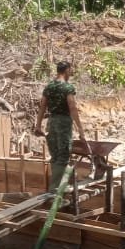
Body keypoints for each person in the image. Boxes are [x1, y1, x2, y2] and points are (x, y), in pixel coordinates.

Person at [34, 61, 90, 191]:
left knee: (55, 155)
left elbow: (42, 107)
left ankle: (57, 185)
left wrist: (38, 125)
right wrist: (80, 130)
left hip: (51, 122)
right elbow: (72, 107)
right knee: (63, 155)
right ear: (67, 70)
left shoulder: (49, 87)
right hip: (63, 123)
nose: (71, 73)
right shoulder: (67, 87)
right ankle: (56, 188)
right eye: (70, 70)